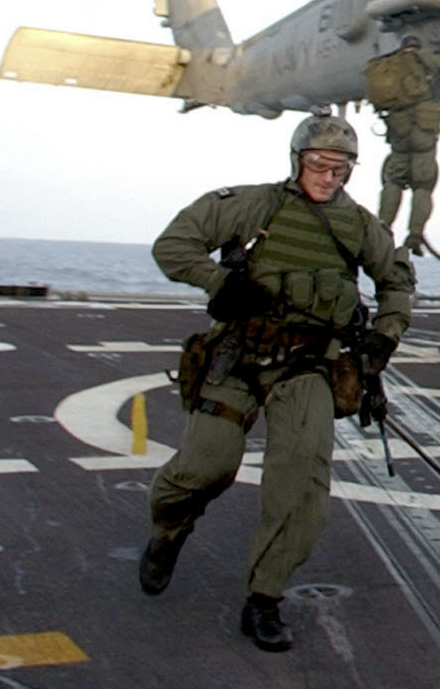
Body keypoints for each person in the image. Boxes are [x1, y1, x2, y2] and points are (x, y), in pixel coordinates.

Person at [139, 114, 415, 652]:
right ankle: (168, 533)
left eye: (340, 167)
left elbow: (396, 283)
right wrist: (221, 283)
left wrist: (385, 335)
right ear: (297, 161)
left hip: (308, 367)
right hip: (238, 356)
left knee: (300, 481)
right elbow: (172, 246)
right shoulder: (252, 204)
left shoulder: (361, 226)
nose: (328, 175)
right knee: (203, 466)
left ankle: (264, 598)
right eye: (318, 164)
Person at [363, 34, 440, 252]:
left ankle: (383, 229)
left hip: (398, 129)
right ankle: (414, 236)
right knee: (423, 184)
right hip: (423, 128)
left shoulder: (390, 64)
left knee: (394, 181)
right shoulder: (423, 57)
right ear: (417, 46)